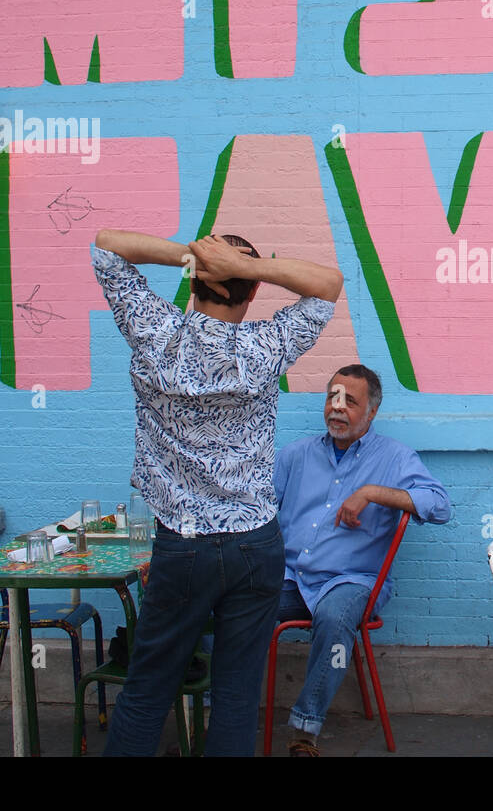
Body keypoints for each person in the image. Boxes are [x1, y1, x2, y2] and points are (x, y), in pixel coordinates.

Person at [92, 228, 342, 756]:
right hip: (256, 544)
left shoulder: (155, 332)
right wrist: (244, 265)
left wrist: (192, 256)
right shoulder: (263, 346)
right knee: (236, 694)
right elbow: (328, 284)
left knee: (149, 687)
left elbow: (106, 244)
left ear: (193, 280)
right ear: (250, 293)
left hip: (183, 547)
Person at [274, 364, 451, 756]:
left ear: (371, 412)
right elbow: (254, 512)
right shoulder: (294, 456)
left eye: (349, 401)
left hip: (351, 582)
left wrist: (372, 491)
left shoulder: (394, 458)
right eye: (331, 398)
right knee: (224, 597)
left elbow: (439, 507)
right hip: (289, 578)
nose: (336, 408)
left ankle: (304, 730)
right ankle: (205, 709)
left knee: (335, 618)